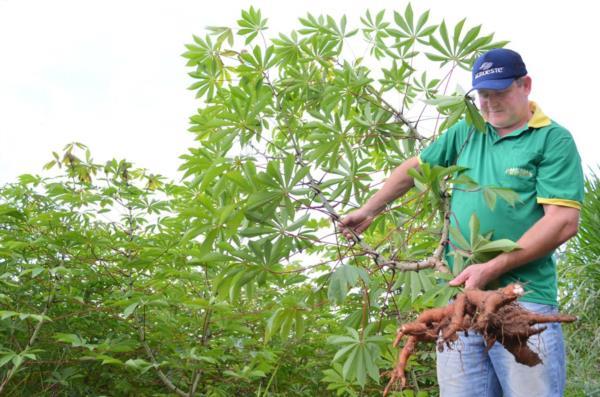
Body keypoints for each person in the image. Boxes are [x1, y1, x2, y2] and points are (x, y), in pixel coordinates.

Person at [339, 48, 584, 397]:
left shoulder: (552, 140)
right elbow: (415, 169)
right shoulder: (467, 132)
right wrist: (368, 210)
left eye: (499, 92)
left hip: (524, 301)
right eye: (483, 95)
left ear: (525, 85)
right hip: (462, 306)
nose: (490, 104)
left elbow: (562, 223)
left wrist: (493, 266)